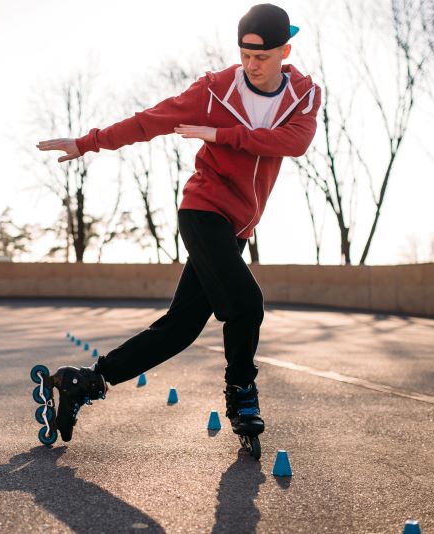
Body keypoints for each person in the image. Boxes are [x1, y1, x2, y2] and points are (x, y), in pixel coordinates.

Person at [36, 3, 321, 445]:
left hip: (238, 227)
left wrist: (221, 135)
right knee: (246, 303)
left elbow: (294, 142)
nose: (251, 65)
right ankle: (243, 393)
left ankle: (87, 381)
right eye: (245, 55)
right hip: (203, 210)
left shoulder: (302, 96)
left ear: (285, 50)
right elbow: (150, 121)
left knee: (180, 329)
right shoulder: (214, 92)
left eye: (262, 57)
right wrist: (87, 142)